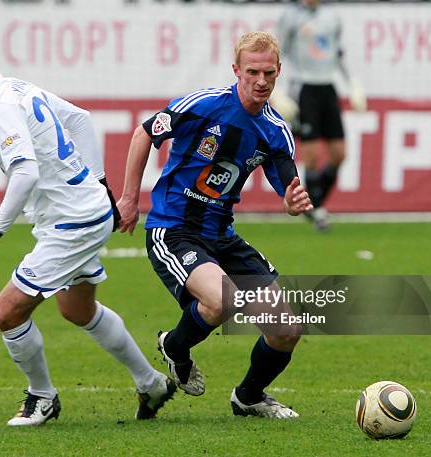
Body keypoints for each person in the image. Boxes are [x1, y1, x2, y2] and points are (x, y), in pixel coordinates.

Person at [0, 25, 175, 426]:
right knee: (78, 309)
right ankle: (151, 384)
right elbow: (80, 119)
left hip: (72, 223)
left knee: (7, 313)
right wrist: (100, 185)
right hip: (83, 211)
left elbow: (24, 172)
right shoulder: (19, 89)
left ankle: (42, 398)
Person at [117, 31, 312, 418]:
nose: (261, 81)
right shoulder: (204, 105)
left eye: (269, 73)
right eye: (252, 71)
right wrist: (128, 198)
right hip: (173, 229)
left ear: (279, 72)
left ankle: (250, 397)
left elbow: (288, 188)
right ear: (236, 70)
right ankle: (175, 347)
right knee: (220, 299)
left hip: (222, 236)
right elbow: (144, 133)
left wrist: (293, 202)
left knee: (287, 329)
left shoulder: (275, 131)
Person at [273, 0, 367, 231]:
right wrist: (277, 91)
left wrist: (353, 84)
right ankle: (317, 211)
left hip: (327, 87)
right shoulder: (290, 17)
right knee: (312, 154)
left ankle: (315, 204)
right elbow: (277, 54)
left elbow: (338, 53)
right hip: (304, 88)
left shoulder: (331, 16)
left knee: (339, 153)